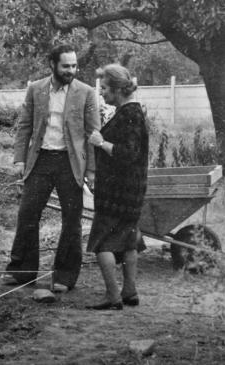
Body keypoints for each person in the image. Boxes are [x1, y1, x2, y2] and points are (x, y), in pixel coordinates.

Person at [4, 44, 100, 290]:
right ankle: (22, 272)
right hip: (41, 161)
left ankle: (65, 277)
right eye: (66, 66)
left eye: (74, 65)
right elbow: (24, 126)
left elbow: (93, 133)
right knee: (27, 214)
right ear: (52, 65)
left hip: (71, 163)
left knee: (71, 220)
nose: (71, 70)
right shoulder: (36, 90)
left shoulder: (86, 92)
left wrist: (91, 171)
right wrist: (19, 159)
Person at [85, 64, 149, 310]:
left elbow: (128, 153)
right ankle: (130, 292)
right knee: (129, 241)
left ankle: (113, 297)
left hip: (117, 193)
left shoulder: (129, 114)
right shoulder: (130, 111)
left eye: (104, 88)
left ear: (118, 89)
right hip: (130, 191)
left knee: (102, 244)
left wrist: (101, 143)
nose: (101, 93)